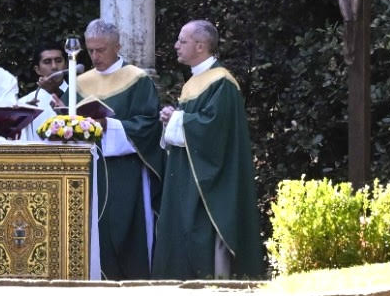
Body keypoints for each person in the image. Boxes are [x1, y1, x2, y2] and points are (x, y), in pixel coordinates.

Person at [153, 20, 262, 280]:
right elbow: (197, 122)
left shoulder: (221, 82)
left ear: (200, 46)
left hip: (207, 182)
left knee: (200, 235)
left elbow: (214, 131)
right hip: (187, 176)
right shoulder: (196, 81)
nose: (176, 46)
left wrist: (178, 120)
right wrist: (174, 117)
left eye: (182, 41)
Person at [76, 18, 164, 280]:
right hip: (90, 171)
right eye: (90, 50)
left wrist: (109, 126)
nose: (95, 56)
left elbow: (148, 124)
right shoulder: (81, 82)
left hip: (126, 172)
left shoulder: (137, 80)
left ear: (117, 46)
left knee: (127, 231)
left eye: (101, 50)